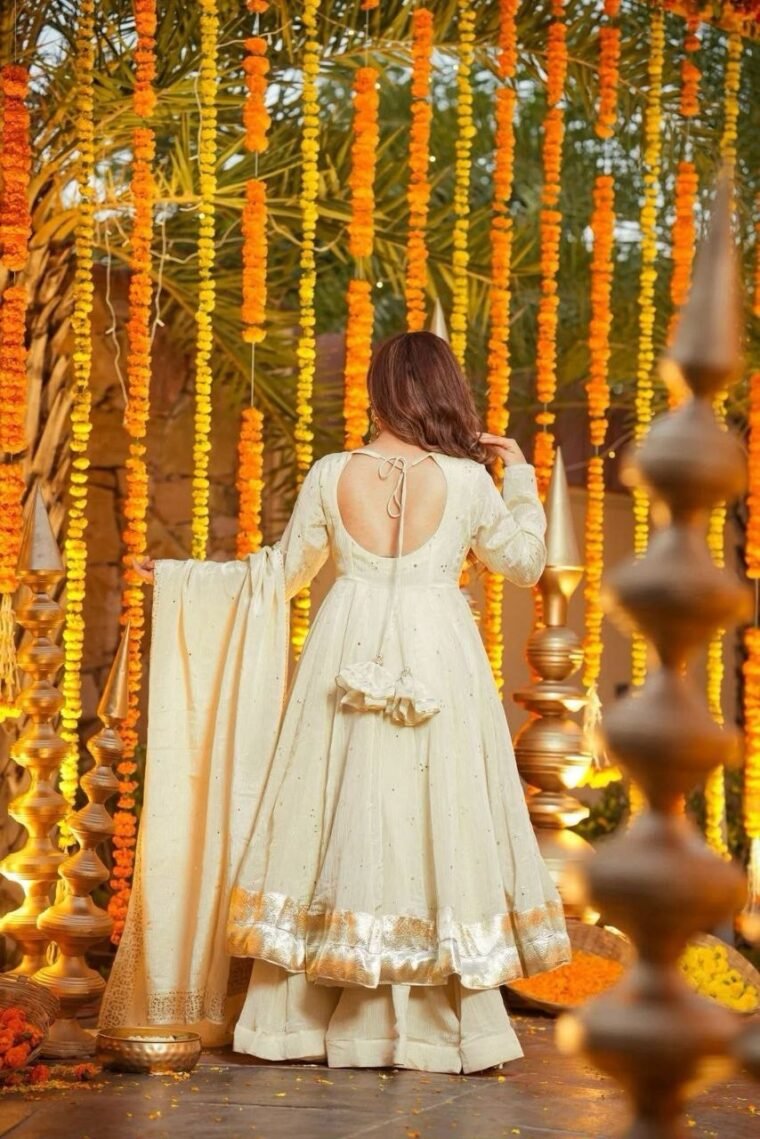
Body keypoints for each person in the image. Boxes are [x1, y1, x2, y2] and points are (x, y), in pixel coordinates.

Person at [103, 330, 569, 1075]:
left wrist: (183, 578)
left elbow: (278, 577)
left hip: (344, 648)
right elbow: (525, 563)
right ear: (444, 391)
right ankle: (431, 1026)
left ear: (379, 390)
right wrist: (518, 477)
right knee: (433, 820)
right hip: (438, 655)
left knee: (331, 814)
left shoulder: (331, 474)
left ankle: (300, 1021)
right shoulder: (471, 479)